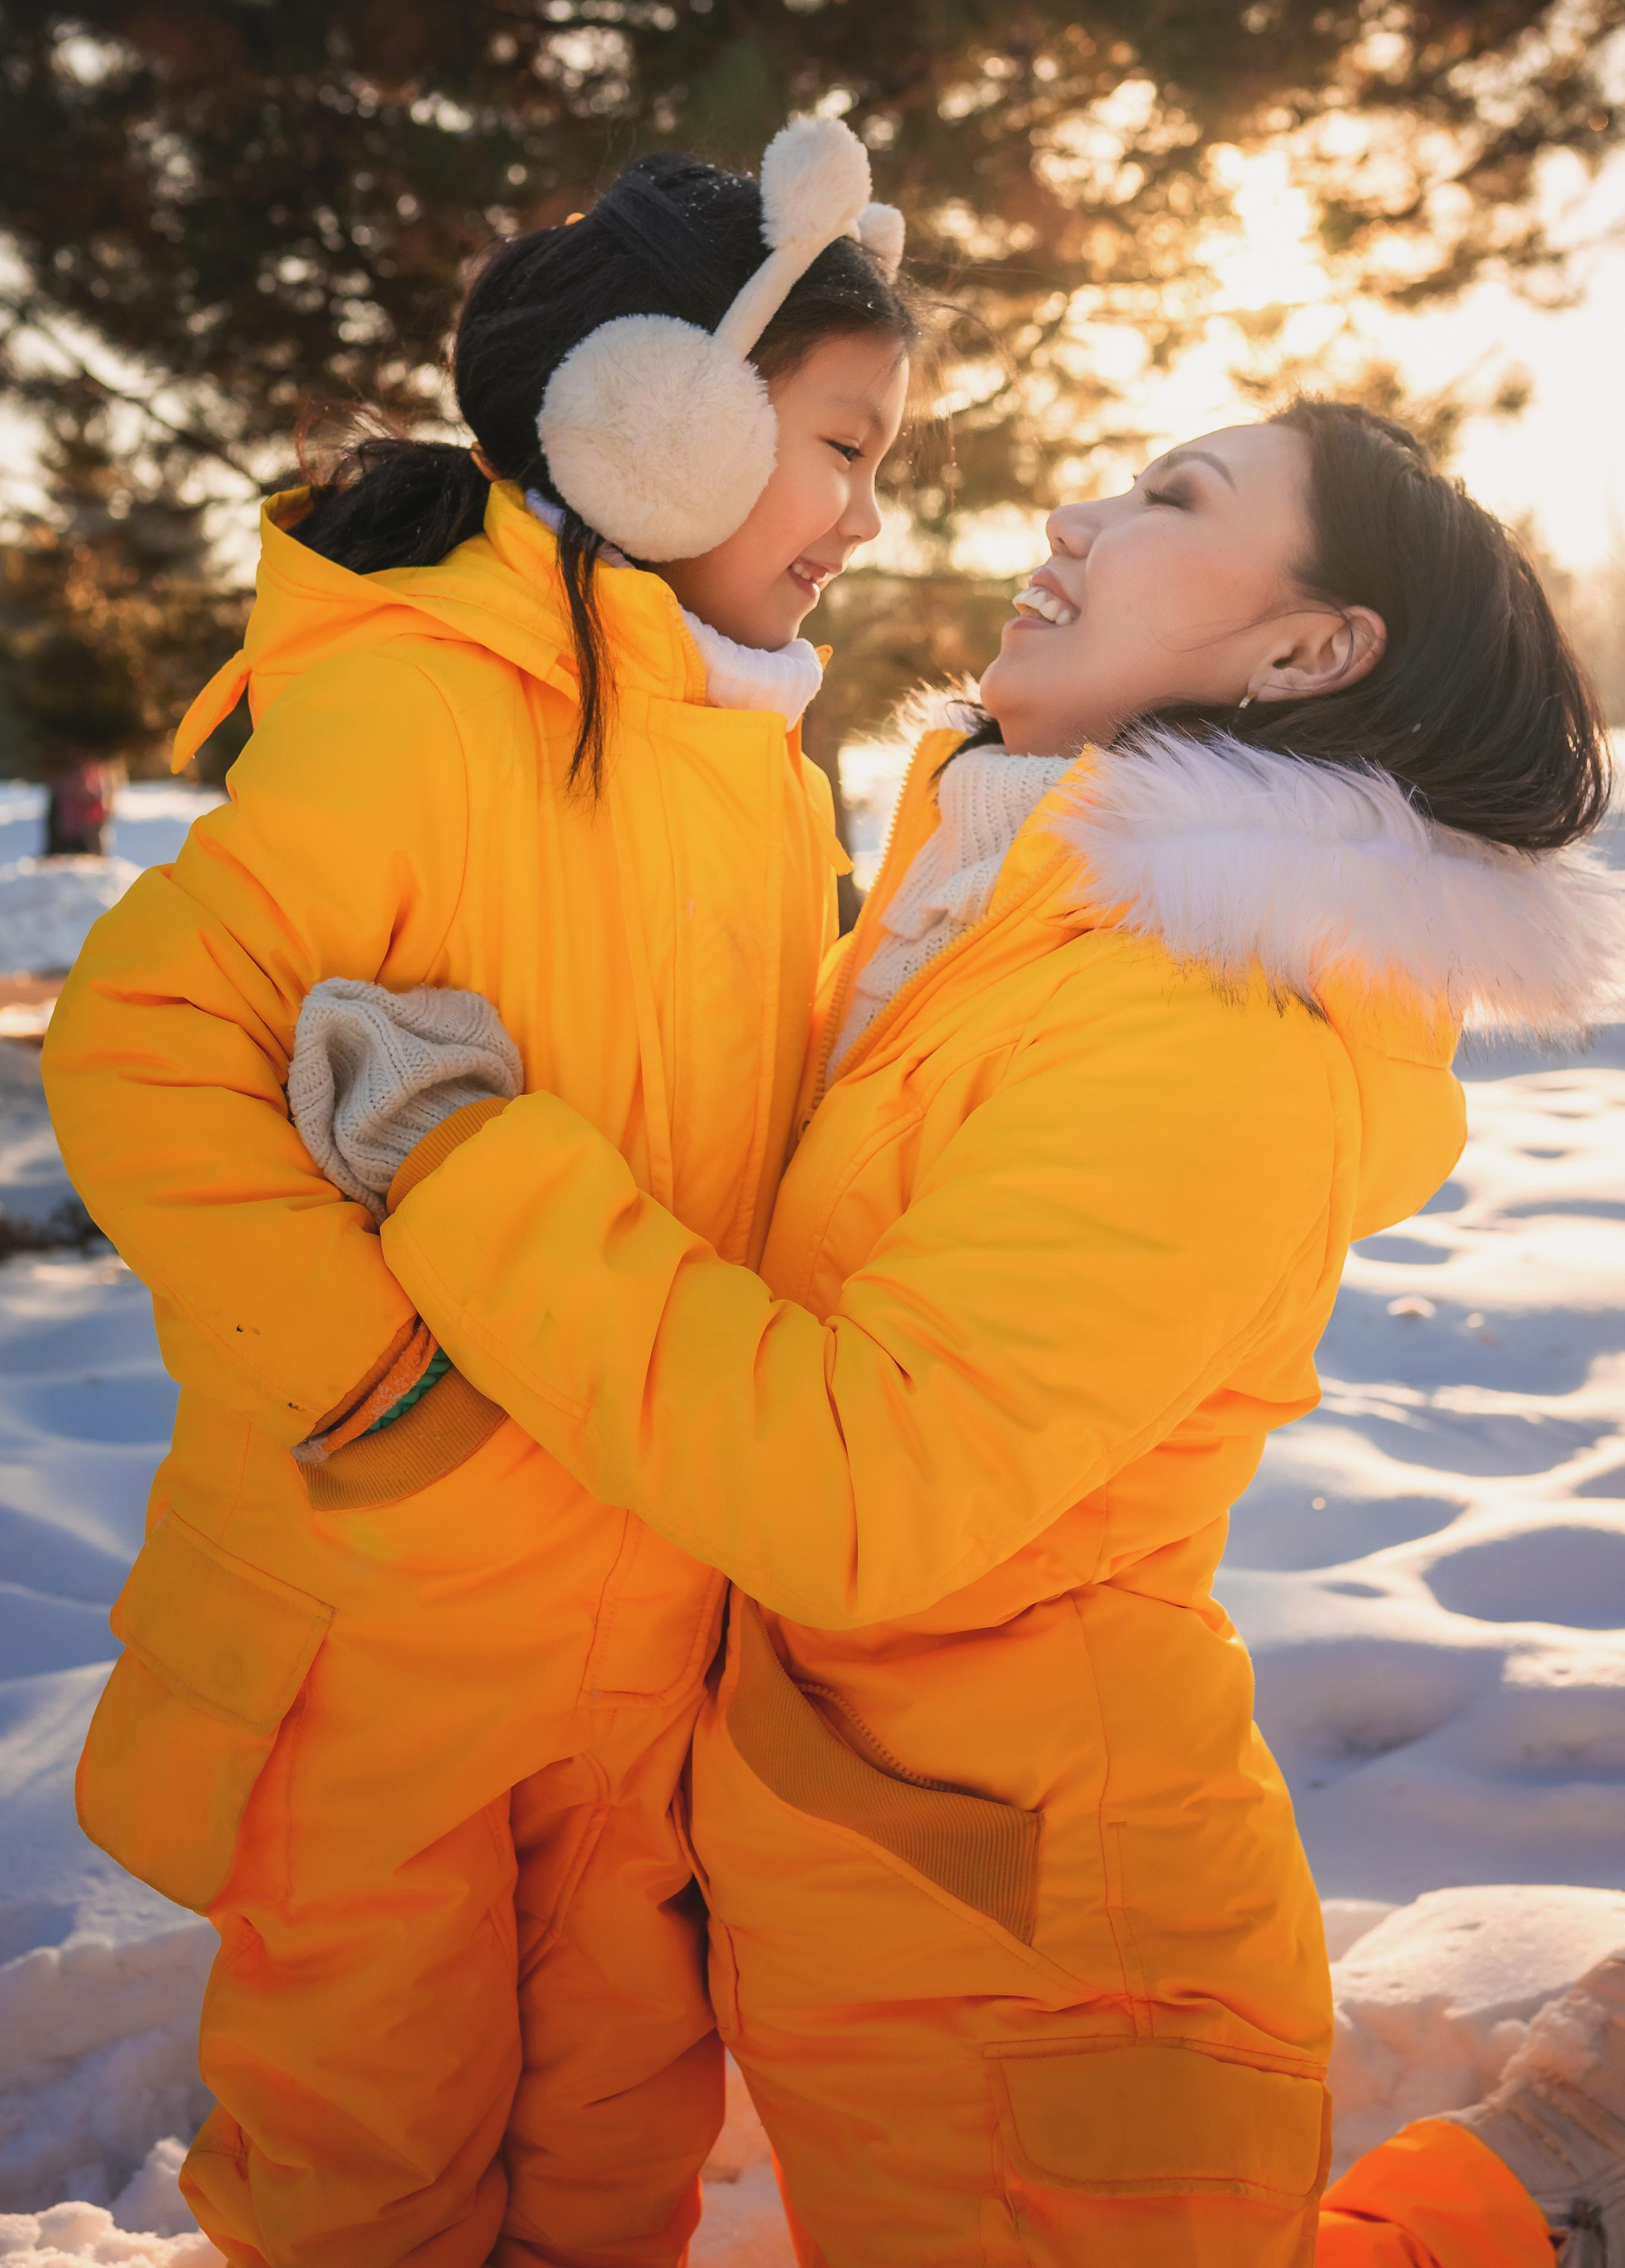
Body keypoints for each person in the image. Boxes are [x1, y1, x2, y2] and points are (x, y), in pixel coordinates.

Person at [321, 402, 1621, 2263]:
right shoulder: (1006, 917)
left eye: (1173, 497)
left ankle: (1541, 2190)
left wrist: (464, 1165)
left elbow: (869, 1492)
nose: (1076, 511)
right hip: (889, 1870)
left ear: (1308, 652)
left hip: (1054, 1974)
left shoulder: (1212, 1031)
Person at [43, 117, 916, 2268]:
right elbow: (148, 1047)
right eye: (842, 446)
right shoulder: (419, 715)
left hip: (647, 1643)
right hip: (391, 1641)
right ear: (665, 421)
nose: (868, 514)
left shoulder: (754, 770)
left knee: (614, 2143)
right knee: (374, 2161)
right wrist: (384, 1390)